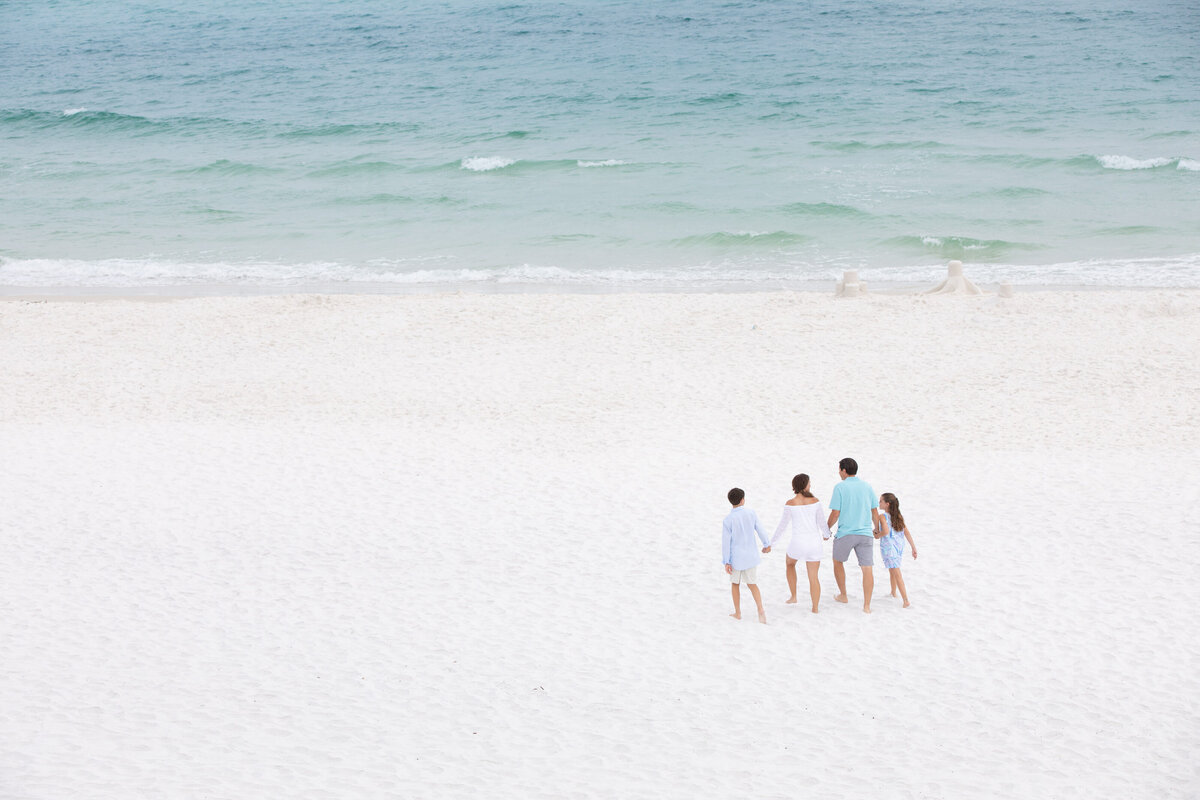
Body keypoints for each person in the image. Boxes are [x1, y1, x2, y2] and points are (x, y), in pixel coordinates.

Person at [769, 473, 832, 613]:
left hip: (798, 542)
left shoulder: (790, 504)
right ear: (805, 485)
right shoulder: (815, 501)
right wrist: (827, 535)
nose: (810, 485)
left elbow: (782, 526)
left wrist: (771, 544)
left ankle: (793, 596)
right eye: (809, 483)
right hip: (814, 543)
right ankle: (815, 608)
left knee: (790, 564)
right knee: (813, 577)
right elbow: (822, 523)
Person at [827, 458, 879, 613]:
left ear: (843, 470)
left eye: (839, 470)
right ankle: (867, 605)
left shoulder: (840, 487)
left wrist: (826, 528)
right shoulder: (867, 486)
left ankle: (843, 595)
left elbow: (835, 513)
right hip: (865, 533)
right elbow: (874, 511)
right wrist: (876, 529)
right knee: (867, 568)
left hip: (846, 533)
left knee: (837, 562)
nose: (838, 473)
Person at [722, 487, 771, 623]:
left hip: (736, 558)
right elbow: (760, 529)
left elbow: (726, 542)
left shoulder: (728, 520)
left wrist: (726, 561)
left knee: (735, 584)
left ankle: (738, 612)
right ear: (743, 500)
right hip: (750, 557)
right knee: (752, 584)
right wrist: (767, 544)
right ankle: (760, 609)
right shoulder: (751, 513)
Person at [874, 492, 918, 607]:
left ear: (887, 504)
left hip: (889, 548)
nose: (879, 503)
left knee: (896, 572)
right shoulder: (898, 516)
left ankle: (905, 600)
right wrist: (913, 547)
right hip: (898, 547)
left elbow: (886, 531)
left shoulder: (882, 517)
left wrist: (877, 535)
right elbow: (906, 532)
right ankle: (893, 592)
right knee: (892, 570)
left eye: (881, 501)